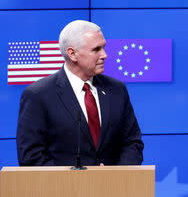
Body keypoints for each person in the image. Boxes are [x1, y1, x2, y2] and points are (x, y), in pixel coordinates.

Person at [17, 20, 144, 166]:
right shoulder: (38, 95)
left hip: (114, 186)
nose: (105, 55)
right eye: (96, 50)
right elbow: (31, 157)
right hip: (62, 188)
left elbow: (132, 143)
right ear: (72, 54)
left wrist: (115, 177)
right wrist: (76, 182)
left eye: (104, 47)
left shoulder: (117, 89)